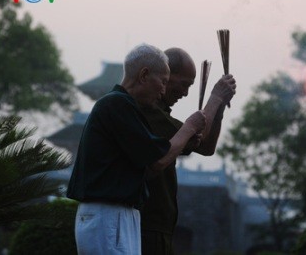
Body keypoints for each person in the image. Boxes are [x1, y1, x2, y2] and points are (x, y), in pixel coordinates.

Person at [66, 44, 206, 255]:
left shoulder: (123, 107)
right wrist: (188, 128)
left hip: (119, 214)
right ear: (144, 75)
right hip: (108, 215)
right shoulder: (115, 105)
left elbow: (151, 162)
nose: (162, 91)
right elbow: (157, 160)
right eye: (163, 82)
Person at [139, 47, 236, 255]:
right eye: (183, 85)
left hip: (160, 224)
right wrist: (215, 98)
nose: (185, 93)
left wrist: (218, 109)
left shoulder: (162, 114)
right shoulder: (149, 114)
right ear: (165, 77)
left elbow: (207, 148)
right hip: (147, 223)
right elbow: (197, 141)